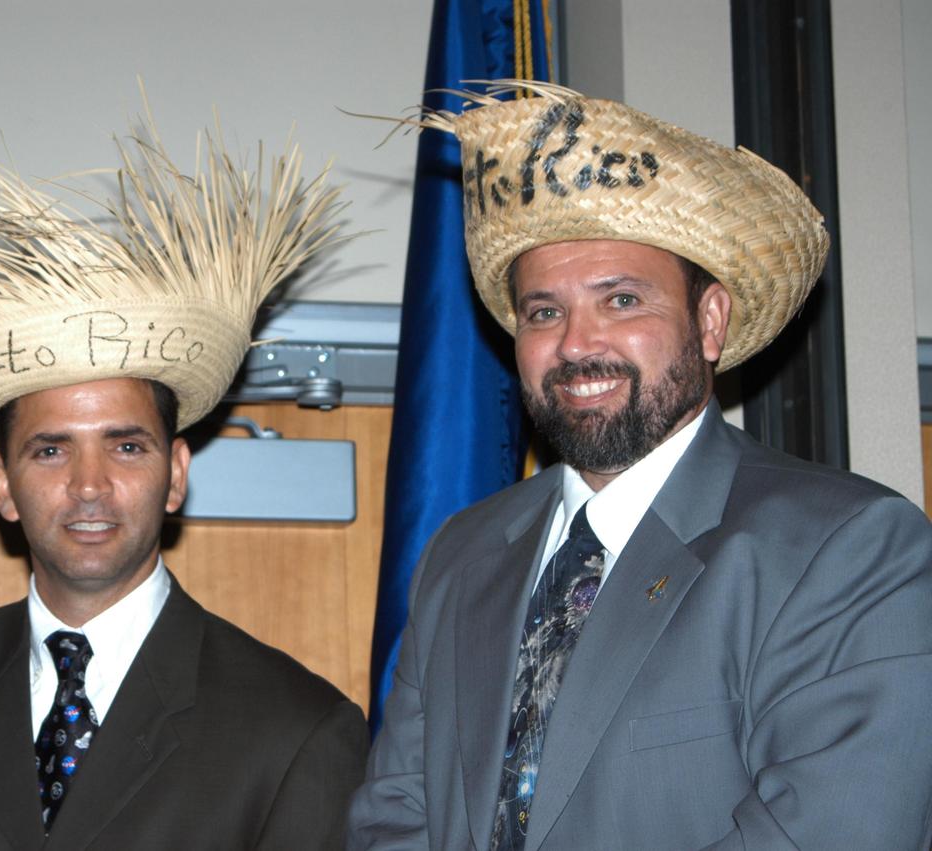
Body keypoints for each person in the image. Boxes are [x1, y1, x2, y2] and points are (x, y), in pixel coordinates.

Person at [348, 80, 932, 850]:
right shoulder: (460, 555)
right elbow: (394, 824)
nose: (577, 343)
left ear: (710, 320)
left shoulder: (849, 550)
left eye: (621, 301)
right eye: (544, 311)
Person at [0, 114, 369, 849]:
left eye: (126, 446)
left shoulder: (295, 730)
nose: (90, 484)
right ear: (1, 483)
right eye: (50, 451)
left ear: (176, 474)